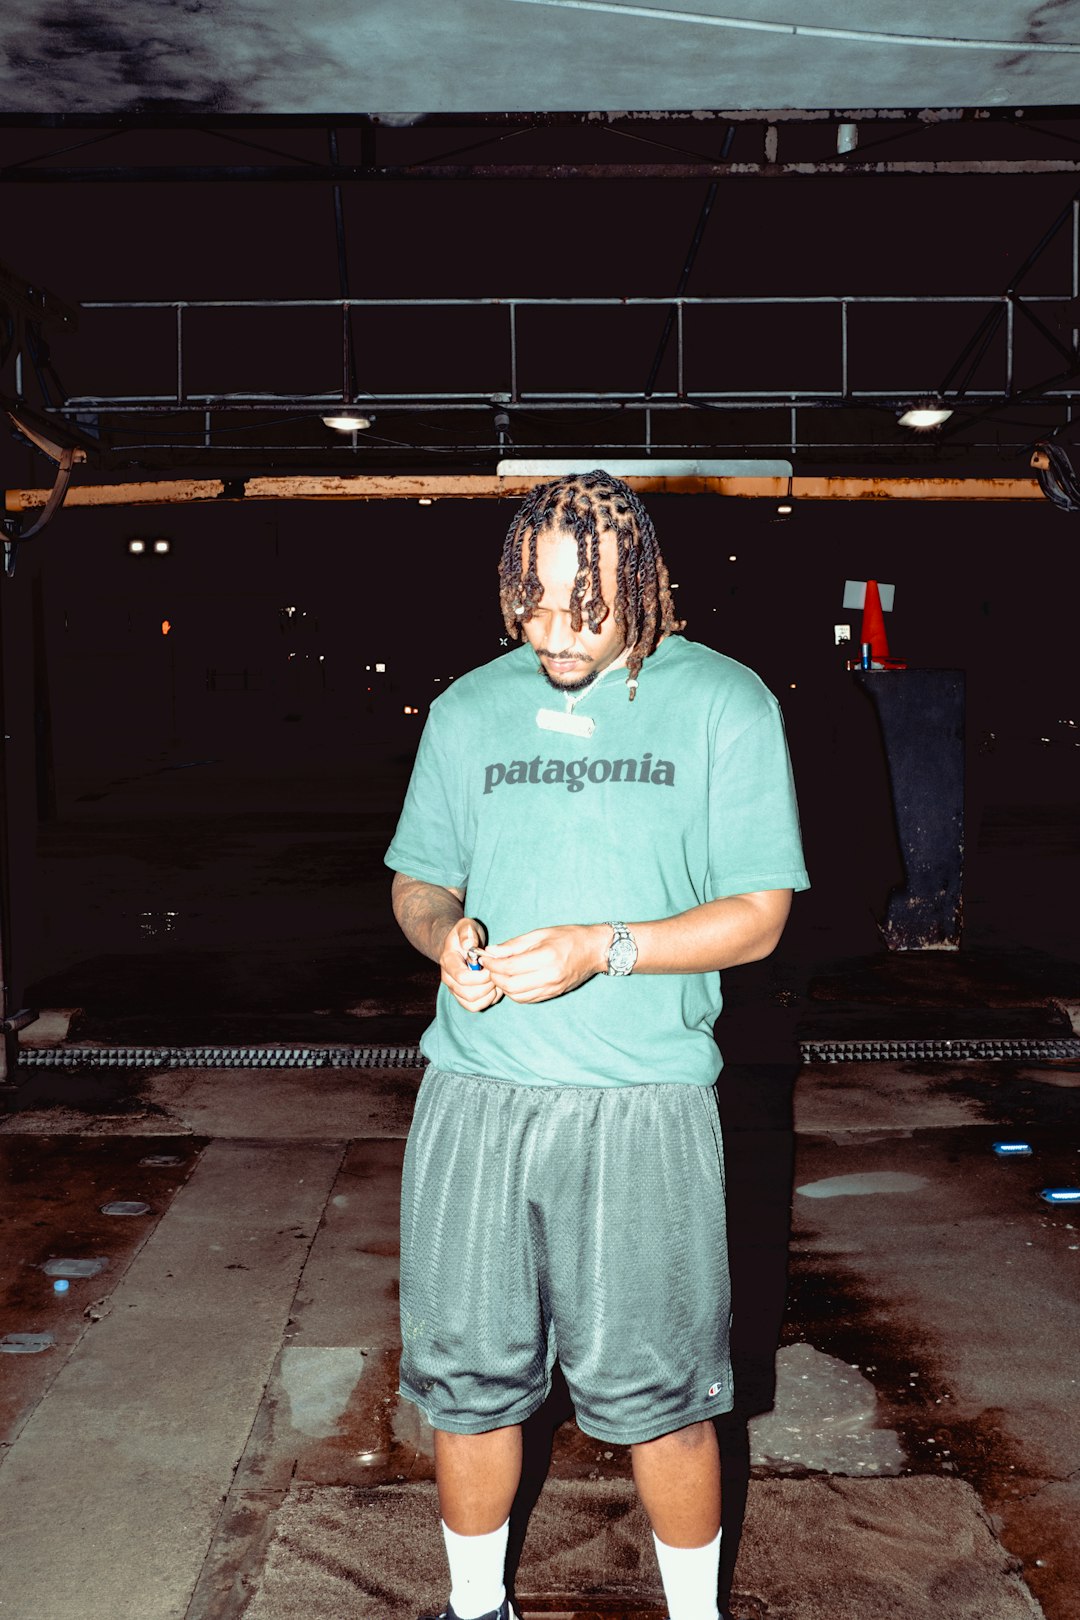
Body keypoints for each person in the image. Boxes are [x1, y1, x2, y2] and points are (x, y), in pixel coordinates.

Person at [386, 470, 809, 1620]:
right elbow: (419, 877)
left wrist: (600, 947)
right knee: (466, 1387)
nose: (554, 631)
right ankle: (477, 1610)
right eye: (534, 602)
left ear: (648, 581)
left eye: (587, 603)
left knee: (663, 1393)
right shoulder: (470, 708)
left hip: (645, 1103)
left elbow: (760, 914)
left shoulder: (726, 702)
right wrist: (445, 934)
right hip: (478, 1096)